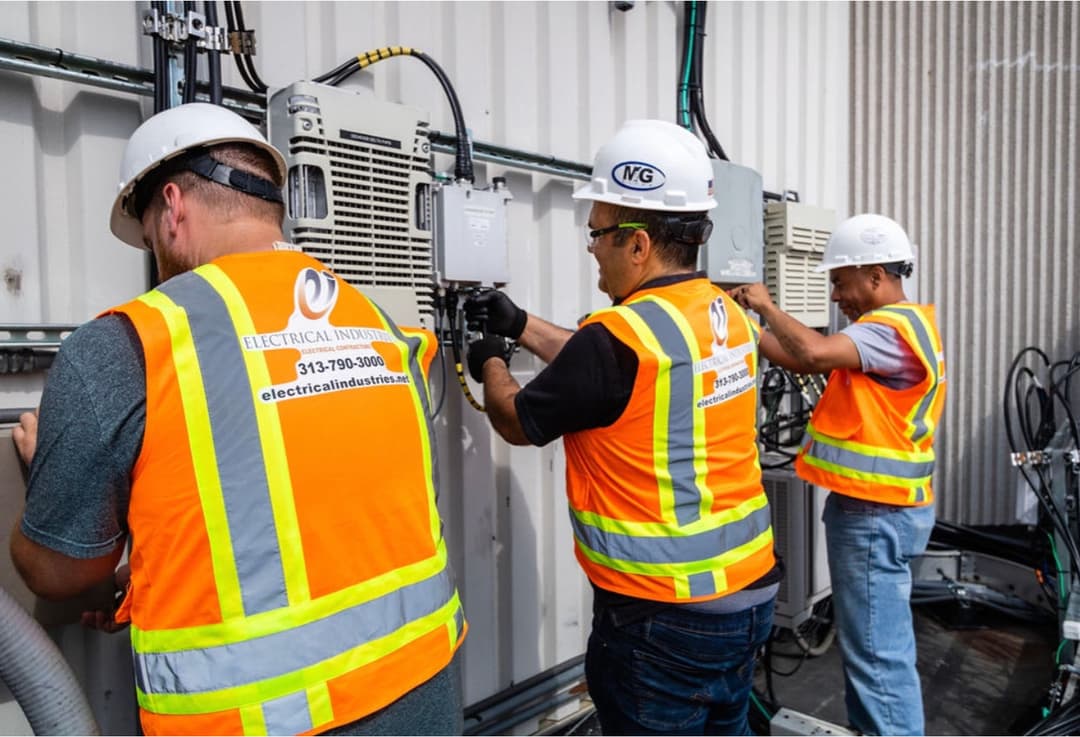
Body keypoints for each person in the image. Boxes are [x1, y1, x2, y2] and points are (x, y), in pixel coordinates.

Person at [9, 102, 466, 736]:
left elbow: (59, 571)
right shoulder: (379, 324)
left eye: (147, 242)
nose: (156, 261)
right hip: (424, 696)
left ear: (171, 209)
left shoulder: (129, 344)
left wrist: (52, 482)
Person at [464, 119, 779, 735]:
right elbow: (609, 370)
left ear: (638, 245)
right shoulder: (725, 316)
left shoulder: (622, 337)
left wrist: (490, 361)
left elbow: (517, 421)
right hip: (749, 594)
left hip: (663, 617)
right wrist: (522, 321)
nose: (591, 247)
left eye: (598, 232)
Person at [729, 213, 946, 736]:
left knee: (878, 658)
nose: (836, 296)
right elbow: (802, 360)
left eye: (840, 281)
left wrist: (765, 304)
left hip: (876, 513)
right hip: (883, 508)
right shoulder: (897, 329)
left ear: (874, 275)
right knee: (874, 651)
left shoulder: (889, 330)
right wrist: (742, 327)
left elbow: (814, 351)